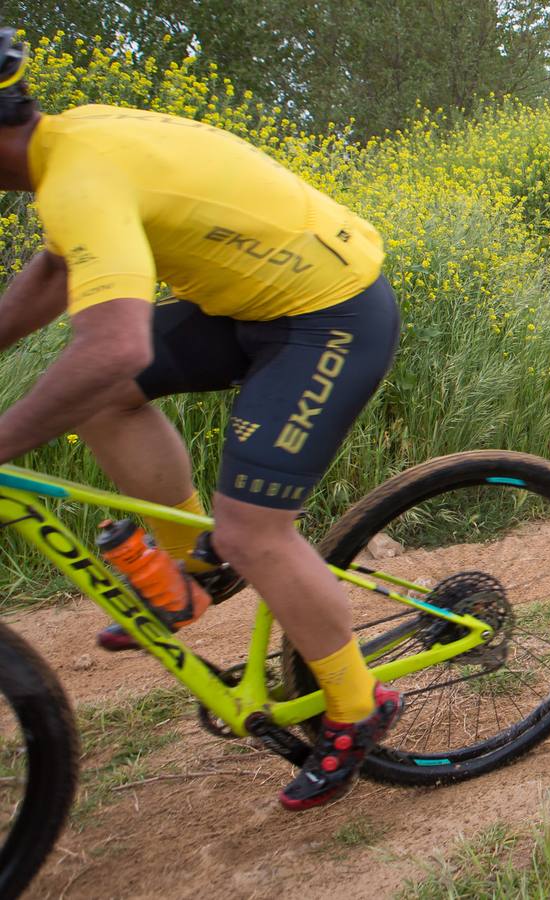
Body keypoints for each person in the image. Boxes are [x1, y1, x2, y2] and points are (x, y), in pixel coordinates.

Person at [0, 27, 401, 810]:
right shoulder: (66, 147)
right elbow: (56, 269)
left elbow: (113, 343)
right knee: (107, 402)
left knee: (254, 530)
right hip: (250, 301)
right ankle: (196, 569)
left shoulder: (79, 172)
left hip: (330, 315)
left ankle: (359, 704)